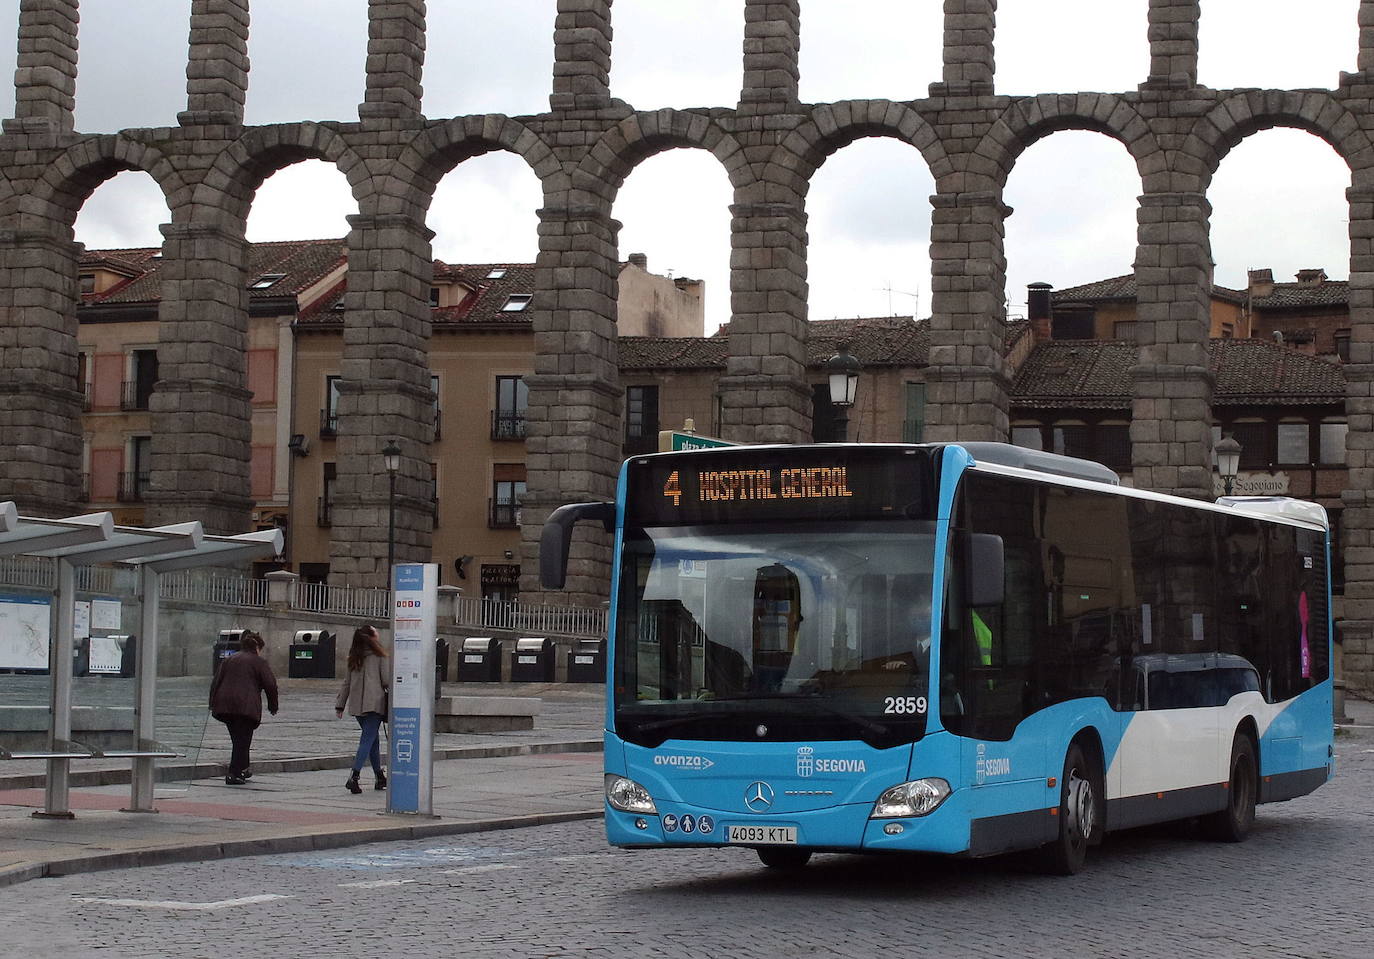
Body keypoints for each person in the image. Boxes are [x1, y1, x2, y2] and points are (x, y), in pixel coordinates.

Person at [208, 629, 279, 786]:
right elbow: (271, 685)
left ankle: (243, 768)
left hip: (225, 706)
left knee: (238, 739)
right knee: (242, 740)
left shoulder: (229, 659)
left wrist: (212, 703)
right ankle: (234, 773)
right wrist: (273, 706)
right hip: (245, 707)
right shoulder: (258, 662)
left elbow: (216, 681)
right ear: (257, 648)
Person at [335, 624, 390, 794]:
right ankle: (354, 776)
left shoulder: (354, 656)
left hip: (357, 705)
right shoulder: (379, 655)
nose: (378, 633)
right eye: (376, 631)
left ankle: (379, 776)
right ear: (372, 636)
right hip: (374, 704)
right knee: (367, 740)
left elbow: (347, 682)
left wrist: (340, 704)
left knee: (373, 740)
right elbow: (386, 680)